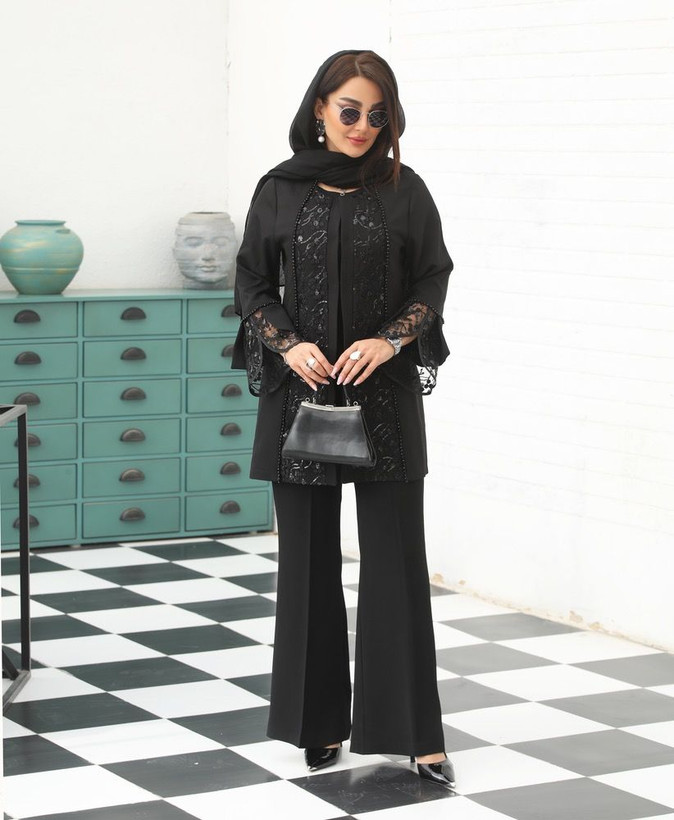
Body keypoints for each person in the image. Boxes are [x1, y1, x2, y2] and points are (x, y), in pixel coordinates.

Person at [232, 49, 455, 788]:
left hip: (382, 396)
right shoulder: (279, 189)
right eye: (350, 110)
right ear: (321, 109)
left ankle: (413, 732)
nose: (363, 126)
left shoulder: (404, 190)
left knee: (395, 562)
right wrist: (286, 343)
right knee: (305, 566)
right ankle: (317, 722)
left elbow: (432, 275)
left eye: (377, 114)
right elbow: (252, 281)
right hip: (300, 395)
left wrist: (389, 340)